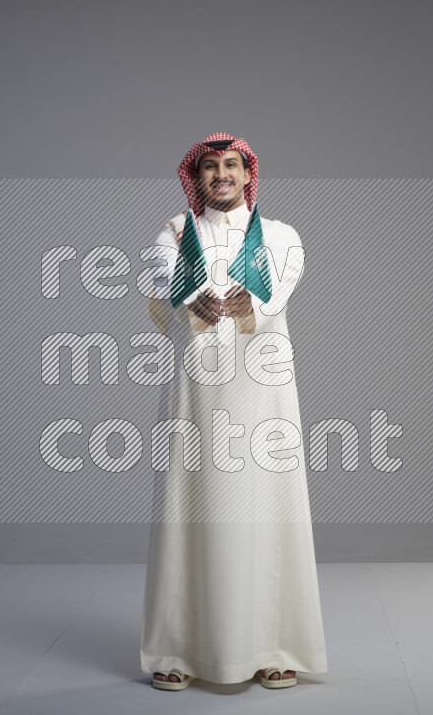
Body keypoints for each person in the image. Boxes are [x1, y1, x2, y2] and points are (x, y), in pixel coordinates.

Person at [140, 132, 328, 690]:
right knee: (188, 505)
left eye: (230, 165)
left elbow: (283, 281)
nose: (220, 175)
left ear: (248, 174)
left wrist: (258, 299)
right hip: (197, 391)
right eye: (209, 168)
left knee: (268, 503)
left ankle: (275, 644)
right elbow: (157, 274)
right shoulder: (176, 232)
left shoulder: (280, 235)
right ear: (195, 179)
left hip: (262, 387)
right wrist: (183, 294)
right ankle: (178, 650)